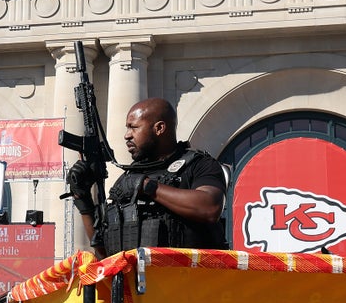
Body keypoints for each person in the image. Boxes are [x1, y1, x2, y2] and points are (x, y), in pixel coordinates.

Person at [67, 97, 228, 258]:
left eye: (133, 127)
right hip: (139, 281)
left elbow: (210, 208)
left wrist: (147, 187)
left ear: (159, 128)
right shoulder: (127, 178)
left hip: (189, 278)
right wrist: (83, 199)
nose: (127, 135)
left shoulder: (198, 165)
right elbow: (105, 253)